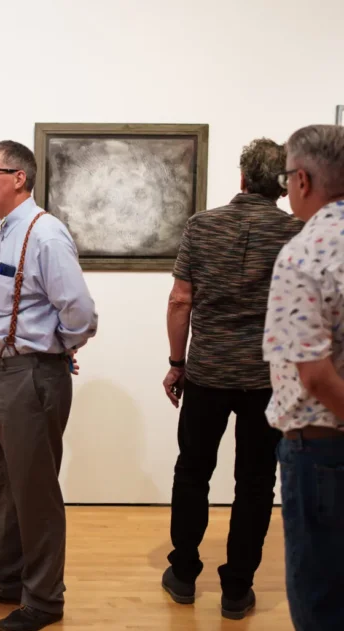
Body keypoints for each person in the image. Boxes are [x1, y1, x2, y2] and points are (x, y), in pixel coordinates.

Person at [0, 140, 97, 631]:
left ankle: (44, 599)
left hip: (28, 378)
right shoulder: (9, 231)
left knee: (34, 493)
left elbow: (80, 311)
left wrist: (56, 348)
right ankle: (6, 578)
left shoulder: (44, 233)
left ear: (19, 177)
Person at [160, 138, 303, 619]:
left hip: (207, 373)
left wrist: (177, 362)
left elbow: (181, 300)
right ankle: (237, 589)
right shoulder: (296, 231)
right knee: (257, 482)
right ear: (282, 184)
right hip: (268, 378)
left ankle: (183, 574)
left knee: (193, 470)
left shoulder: (202, 225)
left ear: (242, 178)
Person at [262, 124, 344, 631]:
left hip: (322, 447)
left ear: (302, 180)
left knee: (322, 600)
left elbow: (314, 376)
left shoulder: (304, 253)